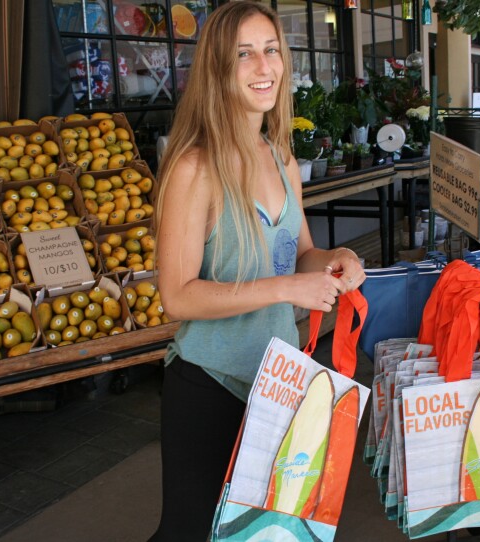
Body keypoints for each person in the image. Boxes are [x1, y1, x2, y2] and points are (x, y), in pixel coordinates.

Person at [149, 1, 366, 539]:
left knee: (265, 531)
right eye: (244, 54)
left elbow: (300, 252)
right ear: (218, 69)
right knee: (192, 532)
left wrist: (337, 261)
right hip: (209, 385)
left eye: (271, 50)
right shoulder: (195, 167)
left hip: (276, 385)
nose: (263, 66)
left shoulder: (282, 159)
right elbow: (177, 296)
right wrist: (288, 288)